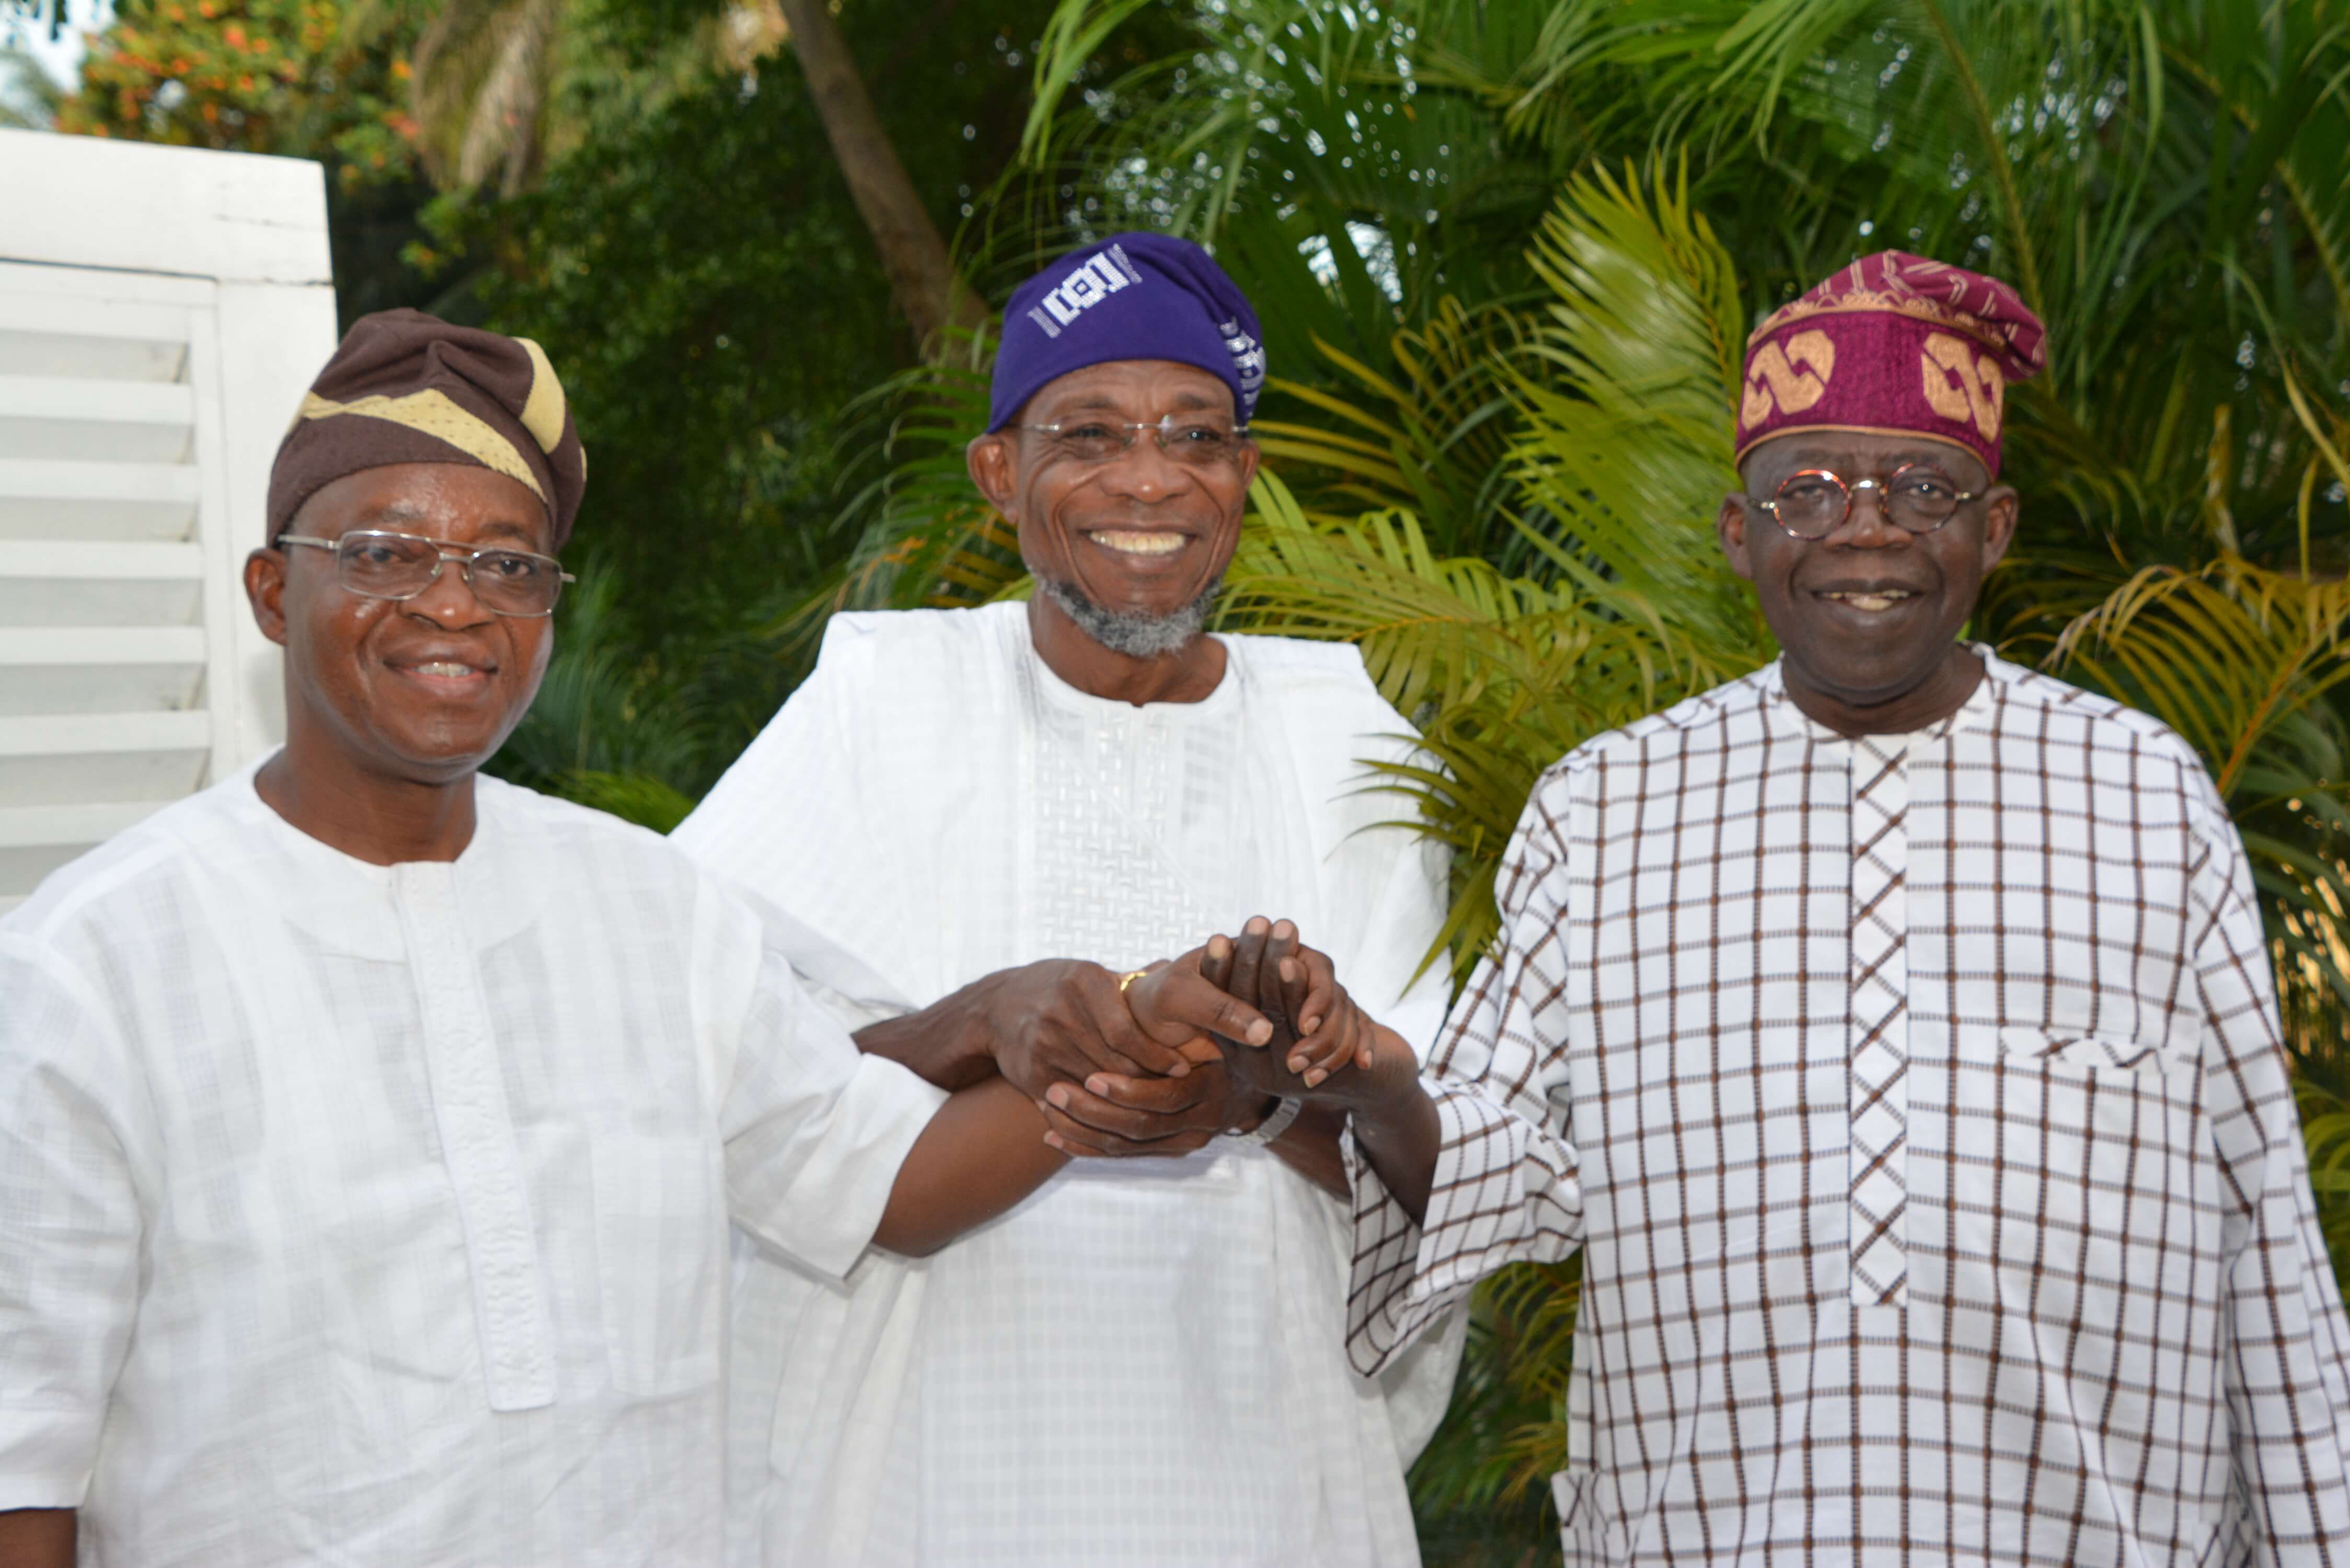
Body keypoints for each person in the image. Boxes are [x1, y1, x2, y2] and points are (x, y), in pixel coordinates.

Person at [1176, 253, 2350, 1563]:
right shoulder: (1608, 809)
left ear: (1995, 529)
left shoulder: (2142, 796)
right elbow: (1509, 1161)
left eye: (1923, 489)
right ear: (1741, 534)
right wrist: (1373, 1085)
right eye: (1808, 490)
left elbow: (2263, 1233)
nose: (1867, 529)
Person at [0, 312, 1214, 1567]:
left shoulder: (650, 905)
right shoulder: (94, 965)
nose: (455, 606)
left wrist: (1156, 1029)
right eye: (385, 553)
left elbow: (878, 1185)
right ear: (272, 591)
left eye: (510, 565)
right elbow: (21, 1455)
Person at [672, 232, 1463, 1566]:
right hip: (916, 1485)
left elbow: (1442, 1177)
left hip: (1268, 1479)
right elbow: (705, 1074)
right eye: (1088, 434)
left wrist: (1271, 1090)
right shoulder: (884, 700)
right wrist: (975, 1020)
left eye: (1196, 436)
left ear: (1245, 477)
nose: (1148, 478)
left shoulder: (1353, 740)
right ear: (1001, 472)